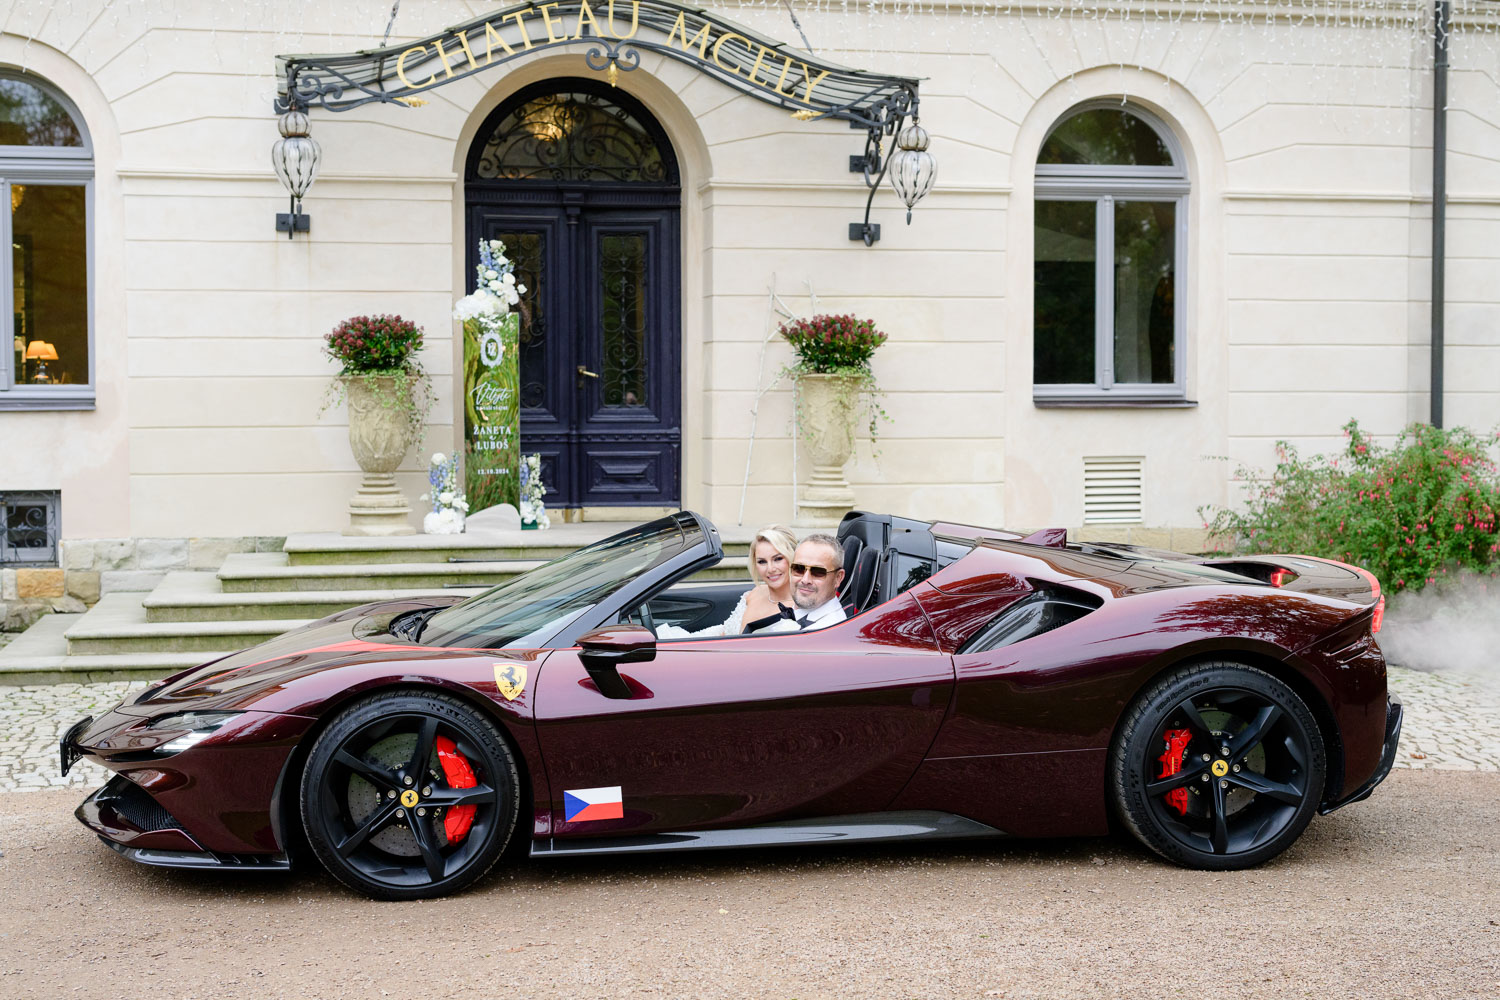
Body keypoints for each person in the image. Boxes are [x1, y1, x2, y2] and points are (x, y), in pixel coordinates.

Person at [654, 524, 797, 639]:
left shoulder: (799, 608)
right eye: (762, 562)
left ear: (792, 557)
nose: (770, 569)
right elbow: (725, 632)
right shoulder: (753, 594)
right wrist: (690, 642)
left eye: (778, 559)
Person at [742, 533, 847, 635]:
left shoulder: (825, 634)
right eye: (799, 569)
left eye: (818, 572)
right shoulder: (801, 613)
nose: (805, 580)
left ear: (838, 578)